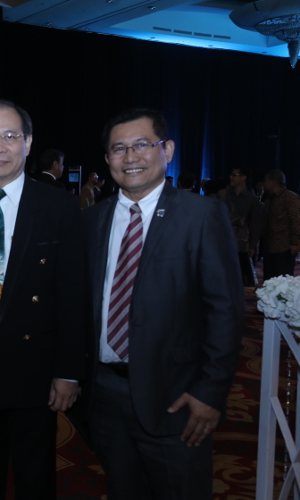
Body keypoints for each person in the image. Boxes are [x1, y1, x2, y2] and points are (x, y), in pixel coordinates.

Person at [79, 108, 243, 500]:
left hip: (177, 398)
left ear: (166, 150)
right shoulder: (91, 220)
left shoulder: (201, 215)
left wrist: (211, 392)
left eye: (141, 145)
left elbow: (225, 311)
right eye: (118, 148)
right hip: (104, 394)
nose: (130, 157)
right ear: (107, 159)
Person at [0, 99, 85, 499]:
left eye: (9, 136)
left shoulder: (58, 206)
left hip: (34, 366)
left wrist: (68, 372)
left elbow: (74, 295)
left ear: (27, 142)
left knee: (34, 475)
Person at [217, 167, 262, 286]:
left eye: (234, 175)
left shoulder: (251, 198)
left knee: (242, 277)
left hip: (243, 243)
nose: (231, 177)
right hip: (224, 240)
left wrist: (253, 245)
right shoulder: (223, 194)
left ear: (243, 178)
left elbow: (254, 223)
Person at [261, 169, 300, 281]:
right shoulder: (269, 199)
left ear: (273, 182)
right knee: (269, 282)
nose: (263, 183)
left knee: (282, 282)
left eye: (265, 180)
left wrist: (295, 243)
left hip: (284, 248)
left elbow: (296, 221)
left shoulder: (290, 197)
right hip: (269, 247)